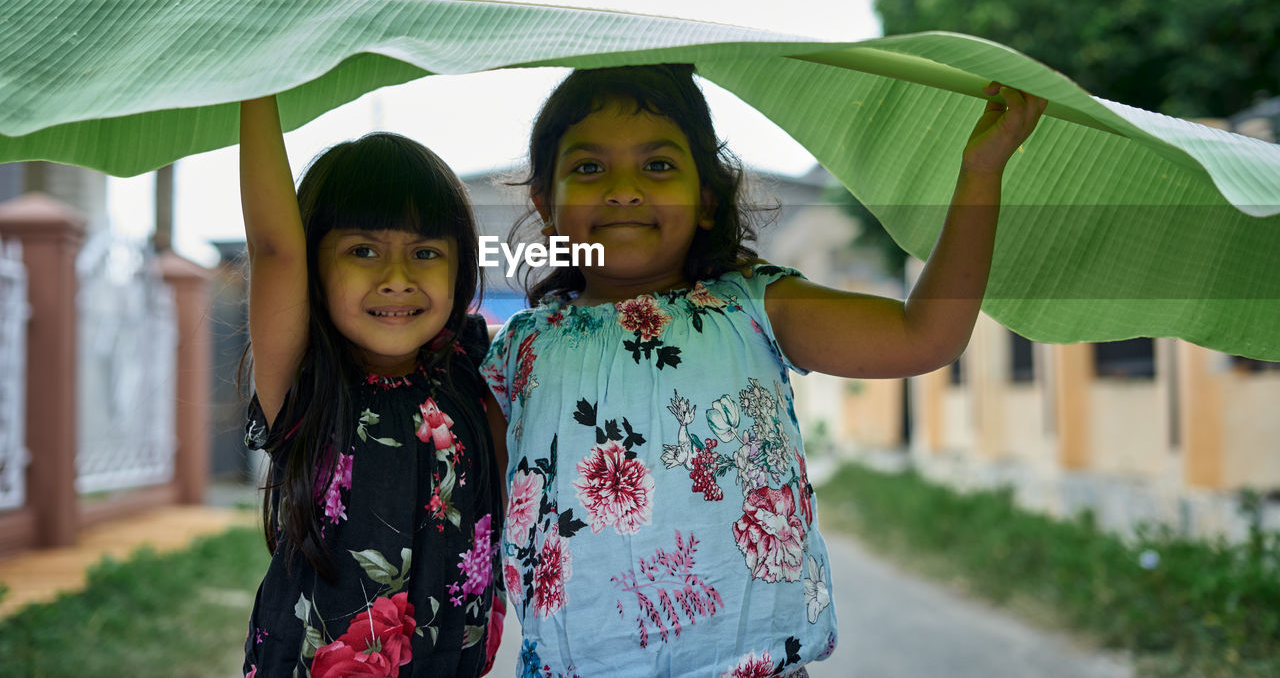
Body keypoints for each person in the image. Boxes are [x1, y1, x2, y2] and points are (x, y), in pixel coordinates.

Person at [480, 64, 1045, 677]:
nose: (624, 189)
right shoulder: (517, 351)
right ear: (546, 205)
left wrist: (981, 172)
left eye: (659, 166)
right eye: (589, 168)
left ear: (707, 201)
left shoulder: (755, 305)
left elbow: (926, 334)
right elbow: (472, 504)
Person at [238, 95, 507, 677]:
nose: (397, 278)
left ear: (459, 268)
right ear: (314, 266)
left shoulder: (471, 369)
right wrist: (256, 84)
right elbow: (273, 247)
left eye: (425, 252)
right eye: (363, 251)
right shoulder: (304, 380)